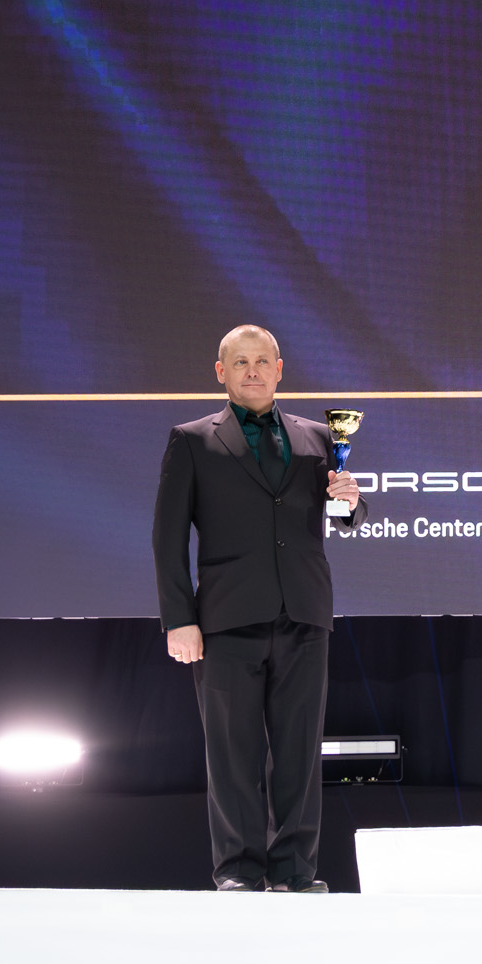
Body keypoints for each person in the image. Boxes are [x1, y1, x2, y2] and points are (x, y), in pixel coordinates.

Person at [153, 325, 363, 891]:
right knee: (232, 753)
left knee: (299, 752)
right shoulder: (192, 440)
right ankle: (240, 872)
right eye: (241, 362)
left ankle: (295, 871)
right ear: (221, 372)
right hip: (225, 621)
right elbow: (167, 538)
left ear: (279, 369)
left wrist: (351, 503)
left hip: (304, 615)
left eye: (262, 361)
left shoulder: (318, 436)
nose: (253, 371)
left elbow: (342, 515)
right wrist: (180, 619)